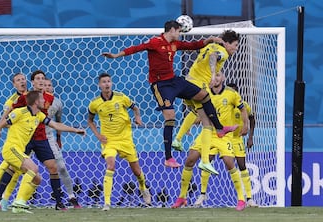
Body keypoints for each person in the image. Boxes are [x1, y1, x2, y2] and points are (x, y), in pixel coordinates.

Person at [102, 20, 237, 171]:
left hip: (174, 81)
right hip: (161, 85)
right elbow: (135, 48)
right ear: (172, 30)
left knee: (204, 95)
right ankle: (168, 157)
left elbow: (193, 46)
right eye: (179, 31)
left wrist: (209, 40)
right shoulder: (155, 42)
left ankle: (219, 128)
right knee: (170, 116)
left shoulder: (175, 44)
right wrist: (116, 55)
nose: (180, 34)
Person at [0, 90, 86, 214]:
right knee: (33, 168)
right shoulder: (19, 112)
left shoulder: (39, 115)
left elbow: (56, 125)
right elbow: (0, 124)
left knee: (37, 179)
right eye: (41, 99)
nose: (44, 100)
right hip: (11, 149)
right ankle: (16, 202)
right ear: (35, 101)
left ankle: (13, 201)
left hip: (19, 151)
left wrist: (76, 130)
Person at [171, 71, 249, 211]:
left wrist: (246, 125)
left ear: (223, 77)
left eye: (218, 75)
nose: (216, 78)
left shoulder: (232, 94)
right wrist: (188, 126)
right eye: (213, 76)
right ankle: (182, 197)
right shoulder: (202, 92)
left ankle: (241, 199)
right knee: (190, 160)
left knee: (229, 162)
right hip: (207, 133)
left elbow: (243, 110)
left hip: (224, 134)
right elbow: (197, 112)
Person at [0, 70, 68, 211]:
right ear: (32, 82)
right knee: (13, 167)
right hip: (26, 138)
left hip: (41, 138)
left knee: (53, 167)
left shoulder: (50, 98)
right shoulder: (25, 97)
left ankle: (59, 202)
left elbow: (52, 120)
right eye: (37, 79)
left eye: (43, 78)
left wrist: (59, 137)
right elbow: (11, 112)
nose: (41, 81)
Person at [171, 30, 240, 174]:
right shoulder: (223, 52)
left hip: (188, 81)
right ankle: (205, 161)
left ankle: (178, 139)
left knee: (195, 112)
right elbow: (214, 56)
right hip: (199, 86)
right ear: (226, 43)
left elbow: (203, 56)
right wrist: (214, 73)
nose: (236, 48)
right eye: (235, 45)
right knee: (207, 121)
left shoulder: (207, 46)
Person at [87, 73, 151, 211]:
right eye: (104, 82)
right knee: (111, 165)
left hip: (125, 139)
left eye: (109, 81)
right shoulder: (95, 103)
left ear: (112, 83)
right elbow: (90, 121)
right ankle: (107, 203)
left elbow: (135, 108)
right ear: (99, 85)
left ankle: (143, 188)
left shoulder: (121, 97)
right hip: (109, 140)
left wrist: (138, 118)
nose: (107, 84)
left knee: (136, 171)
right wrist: (98, 135)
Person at [0, 72, 28, 210]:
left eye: (23, 79)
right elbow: (4, 117)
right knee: (9, 164)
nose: (22, 82)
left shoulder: (32, 96)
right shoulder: (12, 100)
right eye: (18, 80)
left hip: (28, 136)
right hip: (16, 135)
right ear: (14, 84)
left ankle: (4, 198)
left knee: (17, 170)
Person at [44, 78, 81, 208]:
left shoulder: (58, 103)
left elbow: (58, 121)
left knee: (62, 168)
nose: (47, 87)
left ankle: (71, 196)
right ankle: (3, 197)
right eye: (45, 85)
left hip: (48, 137)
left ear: (53, 88)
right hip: (31, 137)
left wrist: (59, 139)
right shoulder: (36, 100)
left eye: (49, 85)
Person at [226, 82, 258, 207]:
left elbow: (252, 119)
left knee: (242, 165)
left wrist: (250, 137)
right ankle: (202, 194)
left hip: (237, 139)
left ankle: (249, 198)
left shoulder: (244, 106)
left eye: (235, 92)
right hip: (223, 139)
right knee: (208, 161)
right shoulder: (223, 104)